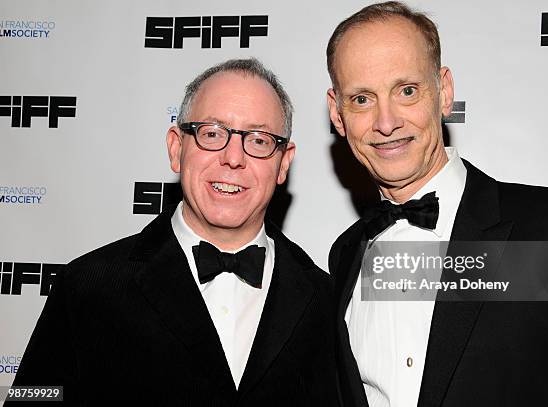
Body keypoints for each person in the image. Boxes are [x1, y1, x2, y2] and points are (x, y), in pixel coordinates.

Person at [325, 2, 548, 406]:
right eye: (361, 100)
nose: (386, 122)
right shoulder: (345, 256)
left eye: (407, 91)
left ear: (444, 92)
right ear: (337, 114)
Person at [12, 58, 338, 406]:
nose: (233, 158)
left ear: (283, 163)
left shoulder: (328, 302)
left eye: (258, 140)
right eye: (212, 133)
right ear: (176, 148)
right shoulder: (88, 287)